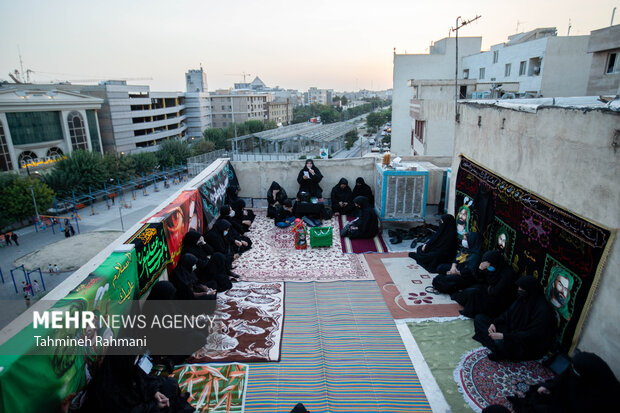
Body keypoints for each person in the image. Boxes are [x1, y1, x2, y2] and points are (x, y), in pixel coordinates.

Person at [472, 275, 557, 362]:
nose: (519, 289)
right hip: (511, 332)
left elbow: (531, 335)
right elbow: (507, 314)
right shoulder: (523, 299)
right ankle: (497, 346)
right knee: (479, 319)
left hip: (525, 344)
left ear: (531, 290)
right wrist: (494, 323)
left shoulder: (543, 311)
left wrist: (504, 336)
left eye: (522, 288)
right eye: (519, 287)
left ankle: (498, 347)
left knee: (501, 343)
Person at [508, 351, 620, 413]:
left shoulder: (603, 396)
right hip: (566, 400)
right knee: (538, 392)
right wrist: (549, 387)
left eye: (576, 371)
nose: (572, 371)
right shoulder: (576, 373)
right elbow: (563, 380)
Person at [79, 355, 194, 413]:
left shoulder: (123, 371)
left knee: (170, 384)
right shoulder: (106, 392)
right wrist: (154, 406)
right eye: (134, 360)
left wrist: (154, 392)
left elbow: (142, 380)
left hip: (138, 402)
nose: (135, 363)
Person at [452, 250, 518, 318]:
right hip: (490, 290)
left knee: (474, 293)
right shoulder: (493, 268)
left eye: (488, 262)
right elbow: (480, 279)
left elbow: (496, 291)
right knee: (472, 289)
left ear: (494, 261)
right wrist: (481, 270)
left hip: (500, 300)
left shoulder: (507, 274)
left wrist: (486, 288)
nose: (486, 265)